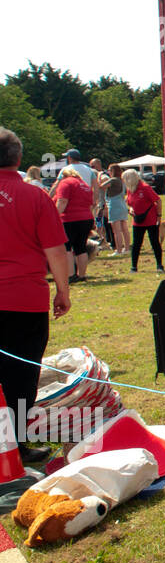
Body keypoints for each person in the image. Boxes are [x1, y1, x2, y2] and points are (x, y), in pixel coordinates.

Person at [0, 128, 71, 464]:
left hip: (19, 296)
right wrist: (63, 290)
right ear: (18, 158)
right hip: (23, 300)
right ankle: (15, 443)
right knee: (22, 374)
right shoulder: (35, 196)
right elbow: (56, 251)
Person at [53, 165, 95, 283]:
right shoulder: (84, 185)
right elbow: (91, 203)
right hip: (86, 218)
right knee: (81, 247)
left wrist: (54, 216)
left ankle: (71, 275)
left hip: (70, 219)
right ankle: (82, 275)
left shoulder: (65, 183)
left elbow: (62, 201)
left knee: (67, 247)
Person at [123, 168, 165, 272]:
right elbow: (130, 202)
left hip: (150, 220)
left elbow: (158, 201)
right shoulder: (130, 190)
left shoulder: (145, 188)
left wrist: (159, 216)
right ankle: (134, 266)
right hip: (137, 221)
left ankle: (159, 265)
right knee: (136, 243)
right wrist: (131, 209)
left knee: (154, 242)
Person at [104, 164, 129, 255]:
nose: (108, 172)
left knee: (116, 230)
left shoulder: (113, 180)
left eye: (109, 170)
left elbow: (102, 186)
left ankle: (118, 250)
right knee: (125, 229)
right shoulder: (122, 180)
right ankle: (126, 248)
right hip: (122, 204)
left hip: (114, 205)